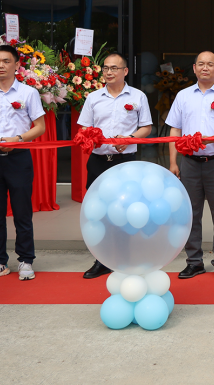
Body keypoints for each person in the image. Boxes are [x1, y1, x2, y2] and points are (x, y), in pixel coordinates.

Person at [0, 44, 46, 282]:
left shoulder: (28, 93)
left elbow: (40, 127)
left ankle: (26, 260)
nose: (0, 65)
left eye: (6, 61)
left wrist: (18, 140)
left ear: (17, 65)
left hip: (19, 158)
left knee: (22, 212)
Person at [167, 51, 214, 281]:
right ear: (194, 68)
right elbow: (175, 129)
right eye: (201, 64)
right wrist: (173, 162)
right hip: (189, 163)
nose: (205, 68)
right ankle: (194, 262)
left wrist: (209, 140)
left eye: (210, 64)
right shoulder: (183, 96)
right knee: (190, 214)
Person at [76, 52, 153, 279]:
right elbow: (83, 127)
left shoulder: (138, 96)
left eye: (114, 68)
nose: (109, 72)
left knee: (125, 211)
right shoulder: (93, 98)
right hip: (98, 162)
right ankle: (102, 260)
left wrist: (129, 139)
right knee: (99, 213)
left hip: (125, 163)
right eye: (106, 68)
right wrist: (91, 136)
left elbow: (146, 127)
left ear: (125, 71)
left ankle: (125, 258)